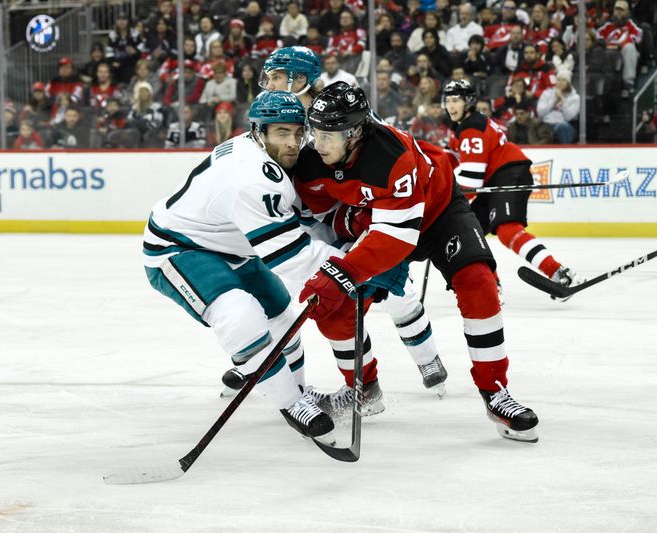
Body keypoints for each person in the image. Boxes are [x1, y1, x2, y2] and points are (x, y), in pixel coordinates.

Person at [292, 81, 539, 443]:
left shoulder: (389, 156)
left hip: (437, 211)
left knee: (478, 282)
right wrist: (347, 221)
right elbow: (322, 215)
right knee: (337, 310)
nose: (320, 142)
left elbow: (397, 239)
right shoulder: (311, 163)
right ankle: (364, 389)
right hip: (385, 223)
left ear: (356, 132)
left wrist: (340, 270)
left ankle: (495, 391)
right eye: (317, 132)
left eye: (332, 134)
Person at [252, 47, 449, 400]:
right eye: (268, 76)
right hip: (319, 213)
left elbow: (381, 157)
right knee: (324, 301)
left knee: (390, 294)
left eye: (277, 76)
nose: (269, 84)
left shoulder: (342, 106)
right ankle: (267, 359)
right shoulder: (277, 111)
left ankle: (426, 357)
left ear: (300, 80)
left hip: (367, 211)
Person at [142, 90, 337, 442]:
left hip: (233, 246)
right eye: (281, 133)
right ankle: (290, 402)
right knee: (239, 314)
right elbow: (290, 258)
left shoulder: (265, 154)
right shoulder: (253, 175)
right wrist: (354, 267)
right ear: (259, 132)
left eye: (297, 132)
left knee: (284, 320)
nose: (293, 142)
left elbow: (303, 222)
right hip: (178, 248)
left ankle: (287, 383)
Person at [443, 79, 583, 303]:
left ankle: (560, 273)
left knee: (507, 230)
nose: (451, 106)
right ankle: (490, 285)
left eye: (456, 100)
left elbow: (471, 179)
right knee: (469, 232)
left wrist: (443, 201)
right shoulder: (463, 127)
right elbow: (451, 158)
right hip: (495, 179)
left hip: (508, 173)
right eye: (448, 100)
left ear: (468, 102)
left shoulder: (471, 127)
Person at [536, 70, 579, 144]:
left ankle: (566, 151)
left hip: (564, 125)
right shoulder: (547, 93)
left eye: (563, 80)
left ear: (569, 83)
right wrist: (554, 101)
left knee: (562, 127)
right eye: (558, 80)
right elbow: (540, 112)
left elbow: (568, 117)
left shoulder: (575, 98)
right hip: (546, 123)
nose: (560, 82)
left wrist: (562, 100)